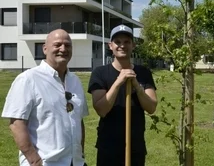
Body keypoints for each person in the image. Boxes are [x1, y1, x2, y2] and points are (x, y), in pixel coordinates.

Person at [2, 29, 89, 166]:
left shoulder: (75, 81)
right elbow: (17, 124)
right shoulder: (28, 79)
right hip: (46, 162)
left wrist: (81, 153)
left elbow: (78, 120)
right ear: (45, 49)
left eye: (67, 45)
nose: (63, 49)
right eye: (57, 45)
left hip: (76, 162)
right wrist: (34, 160)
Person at [88, 24, 158, 166]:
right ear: (110, 46)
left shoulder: (143, 73)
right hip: (108, 146)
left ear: (133, 45)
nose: (122, 45)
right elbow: (101, 110)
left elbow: (151, 107)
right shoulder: (99, 73)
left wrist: (137, 86)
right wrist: (118, 82)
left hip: (135, 146)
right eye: (118, 42)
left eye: (127, 42)